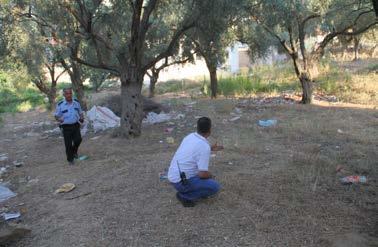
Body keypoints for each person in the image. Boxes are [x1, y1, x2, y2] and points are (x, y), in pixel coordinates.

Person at [168, 117, 223, 207]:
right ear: (210, 130)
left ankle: (187, 190)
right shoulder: (204, 146)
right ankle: (186, 196)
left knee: (206, 180)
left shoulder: (190, 136)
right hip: (182, 182)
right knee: (215, 187)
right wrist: (211, 175)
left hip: (173, 176)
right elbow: (202, 174)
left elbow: (195, 149)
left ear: (197, 127)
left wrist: (210, 148)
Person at [54, 88, 84, 165]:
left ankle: (74, 151)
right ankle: (70, 160)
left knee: (78, 140)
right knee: (68, 144)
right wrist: (59, 119)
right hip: (66, 127)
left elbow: (80, 111)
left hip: (75, 125)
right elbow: (56, 116)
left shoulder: (76, 103)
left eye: (70, 93)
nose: (69, 95)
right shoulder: (60, 104)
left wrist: (81, 117)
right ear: (64, 95)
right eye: (67, 93)